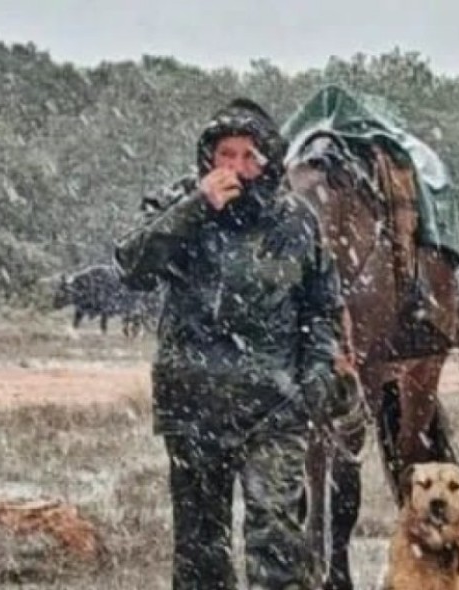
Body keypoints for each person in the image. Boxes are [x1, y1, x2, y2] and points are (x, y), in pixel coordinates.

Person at [114, 98, 350, 590]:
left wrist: (316, 379)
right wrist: (196, 208)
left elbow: (321, 309)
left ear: (269, 161)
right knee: (201, 551)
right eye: (226, 155)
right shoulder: (177, 205)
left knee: (278, 544)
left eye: (250, 156)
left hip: (274, 406)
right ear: (208, 158)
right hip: (193, 404)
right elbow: (133, 267)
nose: (238, 168)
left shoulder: (296, 221)